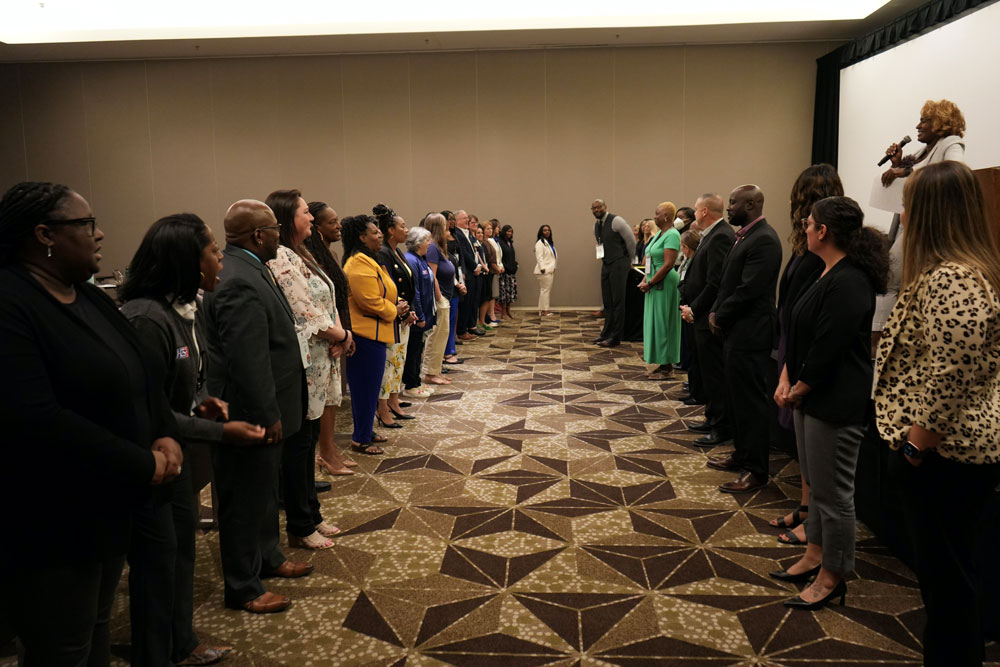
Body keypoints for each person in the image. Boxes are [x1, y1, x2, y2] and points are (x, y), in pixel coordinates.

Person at [0, 182, 181, 664]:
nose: (100, 235)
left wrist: (163, 429)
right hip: (50, 514)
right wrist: (142, 461)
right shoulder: (11, 302)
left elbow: (142, 372)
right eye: (87, 225)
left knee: (95, 625)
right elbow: (35, 417)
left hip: (108, 501)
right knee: (62, 647)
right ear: (45, 234)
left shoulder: (88, 295)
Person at [120, 213, 263, 665]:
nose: (220, 258)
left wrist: (203, 401)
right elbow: (147, 412)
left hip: (177, 457)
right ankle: (158, 651)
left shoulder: (182, 309)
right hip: (151, 463)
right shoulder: (146, 318)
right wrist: (221, 430)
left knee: (179, 556)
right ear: (187, 259)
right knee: (158, 565)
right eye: (212, 251)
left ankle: (180, 643)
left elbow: (182, 385)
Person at [875, 161, 1000, 666]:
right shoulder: (950, 272)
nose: (901, 213)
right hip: (942, 452)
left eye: (909, 203)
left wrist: (913, 446)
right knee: (946, 585)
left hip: (946, 455)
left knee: (949, 590)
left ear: (932, 212)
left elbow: (950, 375)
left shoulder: (954, 278)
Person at [771, 196, 888, 611]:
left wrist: (797, 387)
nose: (804, 227)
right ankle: (814, 554)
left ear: (824, 232)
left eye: (809, 223)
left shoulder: (851, 280)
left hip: (833, 401)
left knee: (835, 494)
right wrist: (786, 376)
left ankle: (833, 574)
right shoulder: (826, 271)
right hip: (809, 397)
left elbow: (829, 347)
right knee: (818, 487)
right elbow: (799, 334)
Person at [202, 199, 313, 615]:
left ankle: (268, 556)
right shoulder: (237, 278)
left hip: (271, 402)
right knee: (244, 499)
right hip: (252, 411)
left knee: (264, 491)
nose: (279, 237)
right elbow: (248, 359)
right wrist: (268, 415)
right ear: (258, 235)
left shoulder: (249, 267)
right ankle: (244, 586)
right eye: (274, 231)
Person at [265, 189, 348, 550]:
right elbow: (304, 308)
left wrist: (342, 332)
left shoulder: (304, 252)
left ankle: (311, 513)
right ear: (286, 219)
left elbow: (329, 295)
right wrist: (340, 333)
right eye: (304, 213)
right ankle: (300, 523)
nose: (311, 218)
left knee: (309, 440)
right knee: (299, 446)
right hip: (306, 363)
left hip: (323, 356)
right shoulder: (280, 256)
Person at [770, 164, 844, 547]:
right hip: (792, 344)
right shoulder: (806, 245)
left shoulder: (823, 251)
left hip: (806, 352)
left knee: (814, 444)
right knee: (802, 440)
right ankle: (804, 506)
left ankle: (812, 515)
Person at [705, 185, 782, 493]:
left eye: (734, 203)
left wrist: (718, 315)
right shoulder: (746, 236)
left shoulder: (764, 239)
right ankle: (741, 454)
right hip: (737, 332)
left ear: (751, 204)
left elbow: (748, 290)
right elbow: (728, 284)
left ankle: (756, 470)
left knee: (751, 404)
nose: (729, 208)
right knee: (737, 399)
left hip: (751, 333)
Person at [303, 202, 358, 476]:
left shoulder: (329, 252)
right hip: (322, 338)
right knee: (324, 399)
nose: (339, 226)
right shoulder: (309, 254)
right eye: (332, 222)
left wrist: (345, 333)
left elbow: (337, 299)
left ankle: (330, 450)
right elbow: (313, 303)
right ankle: (325, 453)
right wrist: (338, 334)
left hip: (337, 332)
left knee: (334, 397)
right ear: (317, 227)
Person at [342, 214, 404, 455]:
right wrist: (394, 309)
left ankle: (366, 431)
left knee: (371, 387)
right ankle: (360, 438)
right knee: (363, 389)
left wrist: (398, 303)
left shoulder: (370, 260)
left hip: (376, 332)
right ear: (361, 237)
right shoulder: (357, 263)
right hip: (364, 335)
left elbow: (385, 290)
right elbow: (368, 300)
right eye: (375, 232)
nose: (380, 235)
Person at [679, 194, 735, 441]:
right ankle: (712, 418)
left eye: (696, 208)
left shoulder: (721, 234)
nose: (694, 212)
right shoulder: (711, 234)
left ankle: (720, 427)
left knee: (714, 374)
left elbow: (714, 282)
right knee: (707, 372)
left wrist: (695, 309)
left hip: (707, 316)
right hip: (700, 314)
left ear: (703, 211)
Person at [374, 203, 418, 428]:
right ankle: (383, 407)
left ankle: (393, 399)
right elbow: (388, 287)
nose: (407, 229)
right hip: (392, 315)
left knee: (398, 361)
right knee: (389, 363)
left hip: (403, 314)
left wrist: (409, 310)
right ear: (391, 230)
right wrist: (403, 311)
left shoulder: (396, 250)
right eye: (403, 226)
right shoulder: (383, 252)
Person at [880, 99, 966, 188]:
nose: (918, 126)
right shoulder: (919, 153)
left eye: (923, 121)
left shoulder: (951, 142)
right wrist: (896, 164)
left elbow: (956, 170)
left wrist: (907, 171)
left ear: (939, 122)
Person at [639, 201, 682, 379]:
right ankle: (662, 362)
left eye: (657, 214)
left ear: (666, 216)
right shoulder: (659, 235)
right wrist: (645, 278)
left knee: (664, 324)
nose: (654, 217)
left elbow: (668, 265)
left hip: (664, 284)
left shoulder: (672, 234)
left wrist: (650, 283)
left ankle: (667, 367)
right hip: (653, 282)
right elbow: (650, 260)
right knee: (655, 324)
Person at [591, 199, 635, 347]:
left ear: (605, 207)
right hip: (606, 264)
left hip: (620, 263)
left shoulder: (617, 221)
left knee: (618, 301)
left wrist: (630, 261)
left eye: (599, 207)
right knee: (607, 301)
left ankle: (615, 337)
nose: (596, 210)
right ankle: (606, 333)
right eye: (593, 208)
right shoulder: (596, 226)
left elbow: (631, 242)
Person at [422, 213, 457, 385]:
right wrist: (440, 298)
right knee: (435, 337)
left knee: (442, 337)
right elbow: (431, 276)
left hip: (444, 298)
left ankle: (436, 371)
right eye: (445, 225)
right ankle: (430, 373)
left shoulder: (438, 247)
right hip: (439, 299)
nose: (448, 228)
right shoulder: (432, 248)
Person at [402, 226, 436, 397]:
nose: (429, 244)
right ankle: (411, 385)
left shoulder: (420, 258)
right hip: (417, 316)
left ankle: (417, 381)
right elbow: (414, 292)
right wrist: (421, 316)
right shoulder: (411, 260)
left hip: (426, 313)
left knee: (418, 349)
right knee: (413, 351)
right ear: (418, 243)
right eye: (427, 241)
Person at [534, 224, 557, 316]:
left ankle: (542, 309)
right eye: (545, 230)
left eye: (548, 230)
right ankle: (545, 310)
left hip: (549, 270)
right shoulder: (540, 243)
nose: (547, 232)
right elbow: (539, 257)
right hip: (543, 270)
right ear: (541, 232)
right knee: (545, 290)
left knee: (544, 290)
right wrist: (543, 268)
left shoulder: (549, 242)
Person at [497, 223, 518, 320]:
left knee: (511, 293)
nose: (509, 233)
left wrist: (515, 266)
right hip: (504, 272)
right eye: (508, 231)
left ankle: (508, 310)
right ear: (504, 232)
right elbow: (500, 257)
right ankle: (503, 312)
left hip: (511, 272)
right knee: (504, 294)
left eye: (511, 232)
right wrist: (506, 267)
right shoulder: (500, 242)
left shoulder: (510, 243)